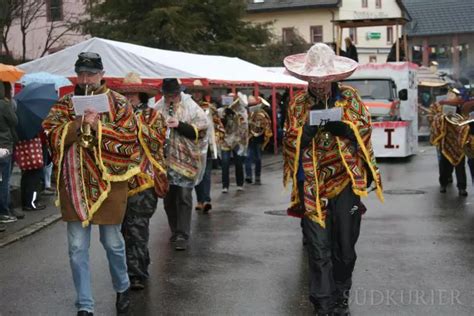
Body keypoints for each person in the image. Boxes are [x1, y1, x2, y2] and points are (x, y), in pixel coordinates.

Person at [283, 43, 383, 316]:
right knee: (318, 248)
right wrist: (307, 132)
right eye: (315, 81)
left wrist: (347, 129)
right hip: (311, 186)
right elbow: (289, 141)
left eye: (325, 81)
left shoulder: (350, 97)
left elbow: (365, 129)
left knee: (346, 249)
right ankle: (324, 304)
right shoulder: (297, 104)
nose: (320, 86)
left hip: (346, 184)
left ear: (335, 78)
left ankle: (341, 294)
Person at [42, 52, 141, 315]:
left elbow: (130, 139)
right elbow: (50, 134)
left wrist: (98, 128)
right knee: (76, 248)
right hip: (74, 183)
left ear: (101, 74)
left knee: (113, 243)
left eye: (90, 74)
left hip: (110, 184)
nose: (85, 79)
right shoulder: (64, 104)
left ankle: (122, 287)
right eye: (81, 73)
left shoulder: (119, 103)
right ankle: (85, 305)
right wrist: (78, 124)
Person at [115, 72, 168, 290]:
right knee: (124, 230)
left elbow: (157, 140)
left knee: (137, 227)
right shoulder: (115, 116)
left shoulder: (153, 116)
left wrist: (135, 125)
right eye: (125, 95)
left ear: (140, 95)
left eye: (132, 95)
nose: (128, 98)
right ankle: (138, 264)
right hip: (119, 181)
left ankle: (135, 273)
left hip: (144, 180)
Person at [153, 78, 209, 251]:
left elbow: (202, 128)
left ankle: (182, 234)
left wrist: (180, 125)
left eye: (173, 95)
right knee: (169, 198)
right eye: (167, 95)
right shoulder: (158, 107)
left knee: (184, 196)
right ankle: (175, 230)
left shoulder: (191, 105)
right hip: (165, 160)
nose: (170, 99)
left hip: (187, 159)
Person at [189, 80, 224, 213]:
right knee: (197, 173)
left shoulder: (210, 108)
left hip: (207, 145)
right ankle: (200, 200)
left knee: (206, 174)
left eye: (199, 91)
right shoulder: (186, 107)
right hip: (192, 146)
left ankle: (207, 200)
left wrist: (217, 139)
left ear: (203, 93)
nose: (197, 94)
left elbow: (218, 125)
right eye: (195, 91)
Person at [430, 89, 470, 196]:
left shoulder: (463, 109)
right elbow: (435, 122)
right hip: (446, 142)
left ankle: (462, 188)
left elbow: (466, 123)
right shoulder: (441, 111)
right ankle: (443, 184)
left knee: (460, 167)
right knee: (445, 166)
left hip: (459, 142)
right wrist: (442, 118)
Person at [218, 92, 249, 193]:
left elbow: (244, 125)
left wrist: (236, 115)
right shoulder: (222, 111)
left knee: (238, 163)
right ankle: (225, 186)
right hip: (226, 141)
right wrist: (223, 117)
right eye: (228, 99)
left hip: (237, 141)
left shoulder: (241, 111)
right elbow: (218, 125)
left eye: (233, 99)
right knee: (225, 163)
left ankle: (240, 184)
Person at [0, 80, 19, 226]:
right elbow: (14, 121)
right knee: (4, 181)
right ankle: (4, 212)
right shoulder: (4, 105)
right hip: (4, 146)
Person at [244, 95, 273, 185]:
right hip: (248, 138)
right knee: (248, 157)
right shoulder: (245, 112)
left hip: (258, 139)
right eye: (250, 105)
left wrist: (258, 124)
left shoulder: (261, 113)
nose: (251, 106)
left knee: (258, 159)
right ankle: (248, 176)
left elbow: (266, 124)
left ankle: (257, 177)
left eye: (253, 104)